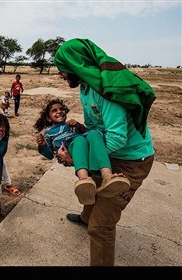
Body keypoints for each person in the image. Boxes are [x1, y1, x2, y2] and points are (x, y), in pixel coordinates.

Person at [54, 38, 155, 266]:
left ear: (75, 64)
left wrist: (80, 158)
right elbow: (97, 129)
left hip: (132, 162)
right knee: (91, 186)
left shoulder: (107, 89)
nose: (60, 75)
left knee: (101, 227)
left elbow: (117, 137)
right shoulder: (86, 86)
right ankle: (85, 218)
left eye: (62, 69)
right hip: (114, 153)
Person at [34, 98, 130, 205]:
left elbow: (85, 133)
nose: (59, 111)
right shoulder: (48, 133)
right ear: (48, 118)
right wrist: (42, 145)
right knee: (79, 140)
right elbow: (49, 154)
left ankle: (107, 176)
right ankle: (84, 180)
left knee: (94, 134)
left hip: (83, 145)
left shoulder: (71, 125)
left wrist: (79, 126)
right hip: (70, 146)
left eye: (61, 109)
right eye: (54, 111)